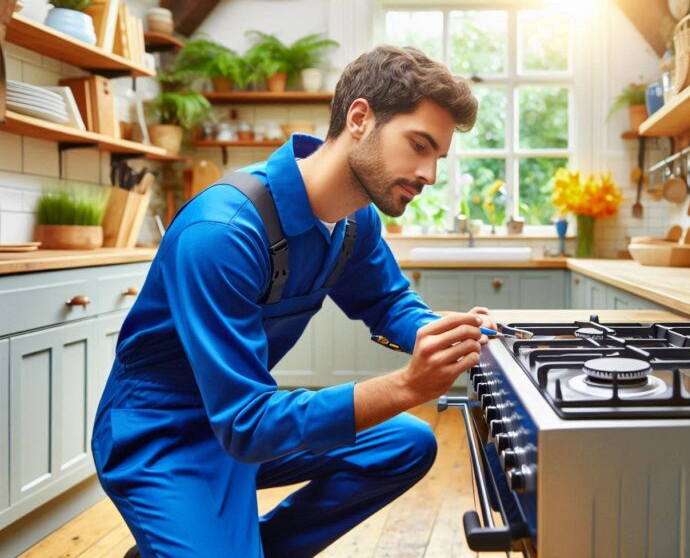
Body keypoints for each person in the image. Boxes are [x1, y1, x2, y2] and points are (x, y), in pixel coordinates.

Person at [92, 45, 497, 558]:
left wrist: (441, 333)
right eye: (419, 145)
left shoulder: (355, 220)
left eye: (438, 156)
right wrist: (407, 385)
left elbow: (390, 302)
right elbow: (245, 424)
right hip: (163, 435)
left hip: (242, 418)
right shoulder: (223, 232)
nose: (430, 174)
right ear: (359, 118)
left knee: (405, 445)